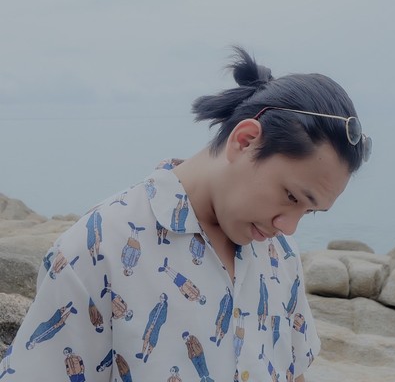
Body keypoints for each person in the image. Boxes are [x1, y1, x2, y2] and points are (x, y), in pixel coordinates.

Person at [1, 47, 371, 381]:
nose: (288, 227)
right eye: (290, 196)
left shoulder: (281, 256)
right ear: (245, 140)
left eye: (310, 211)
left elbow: (293, 372)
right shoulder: (95, 248)